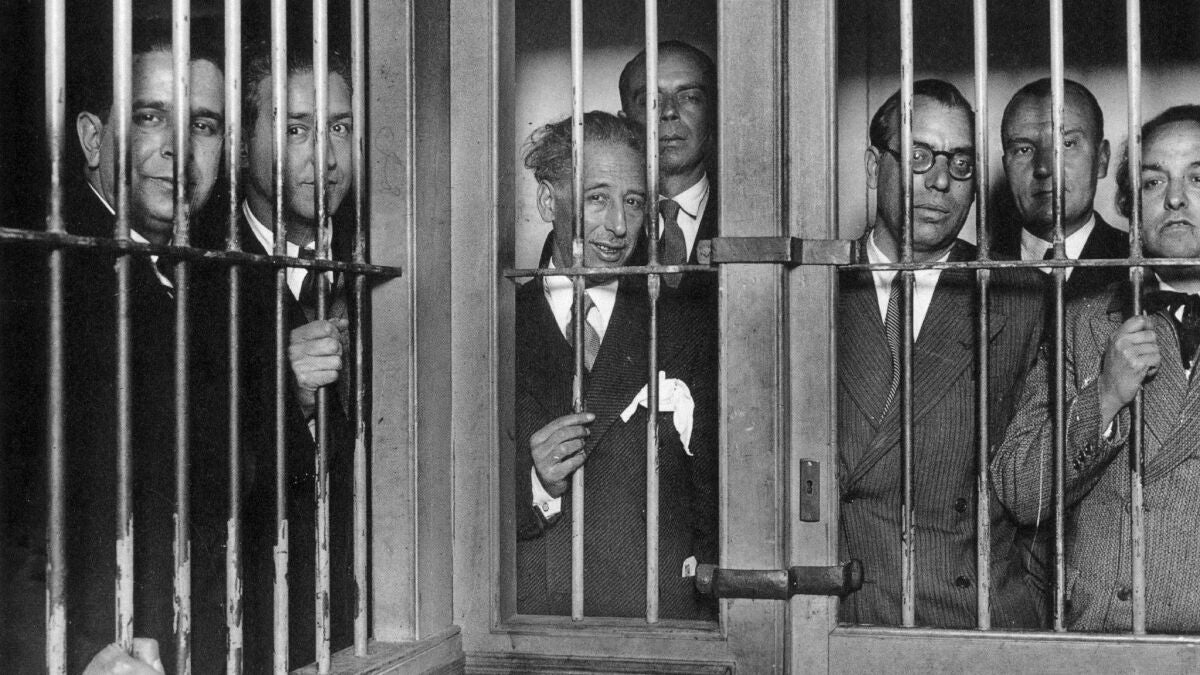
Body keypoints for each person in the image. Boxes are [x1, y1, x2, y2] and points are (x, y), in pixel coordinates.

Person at [837, 79, 1047, 628]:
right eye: (919, 157)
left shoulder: (1018, 296)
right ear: (873, 166)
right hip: (837, 615)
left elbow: (1042, 493)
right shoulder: (814, 283)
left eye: (961, 164)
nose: (939, 181)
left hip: (967, 620)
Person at [60, 23, 230, 673]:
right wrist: (77, 656)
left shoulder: (212, 283)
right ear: (92, 137)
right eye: (149, 116)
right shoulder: (36, 283)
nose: (178, 148)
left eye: (204, 125)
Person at [993, 105, 1200, 632]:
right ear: (1129, 204)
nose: (1176, 198)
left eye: (1198, 178)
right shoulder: (1083, 323)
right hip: (1104, 637)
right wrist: (1104, 396)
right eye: (1153, 181)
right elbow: (1022, 492)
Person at [515, 111, 718, 620]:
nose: (620, 227)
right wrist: (536, 484)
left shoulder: (681, 324)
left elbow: (714, 495)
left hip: (656, 620)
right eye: (597, 198)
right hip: (534, 623)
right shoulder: (495, 327)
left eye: (633, 202)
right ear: (548, 201)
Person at [229, 40, 357, 670]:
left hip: (366, 624)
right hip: (245, 623)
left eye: (339, 128)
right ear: (241, 140)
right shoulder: (200, 271)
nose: (324, 157)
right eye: (296, 129)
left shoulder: (382, 256)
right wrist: (289, 395)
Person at [997, 78, 1128, 298]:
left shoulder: (1141, 265)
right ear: (1006, 167)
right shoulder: (975, 270)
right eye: (1024, 150)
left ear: (1102, 159)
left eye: (1067, 144)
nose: (1044, 168)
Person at [618, 40, 717, 302]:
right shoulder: (596, 224)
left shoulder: (749, 221)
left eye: (690, 97)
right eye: (651, 100)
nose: (670, 111)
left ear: (714, 116)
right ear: (626, 124)